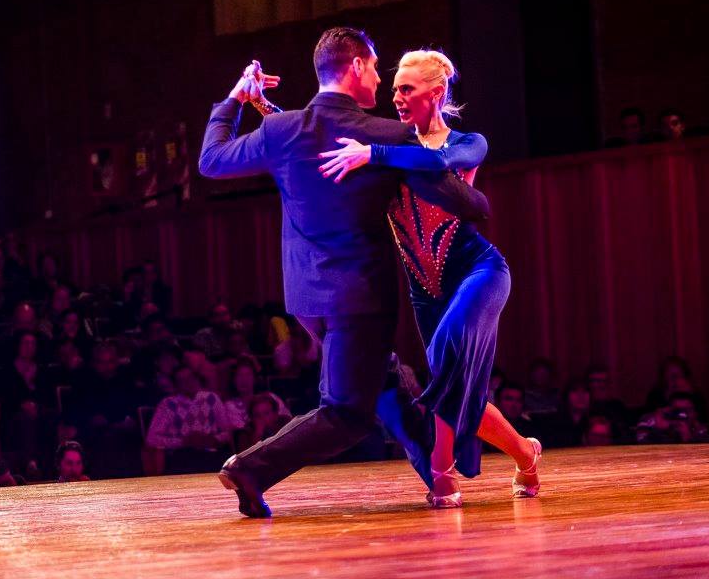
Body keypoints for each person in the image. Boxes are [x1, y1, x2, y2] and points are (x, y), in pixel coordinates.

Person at [199, 27, 489, 518]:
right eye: (375, 68)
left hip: (306, 298)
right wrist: (469, 190)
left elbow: (211, 160)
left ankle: (439, 478)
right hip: (360, 298)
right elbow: (464, 203)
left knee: (385, 378)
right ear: (356, 66)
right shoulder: (387, 136)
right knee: (348, 413)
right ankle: (249, 468)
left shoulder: (281, 129)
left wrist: (235, 99)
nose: (380, 80)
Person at [318, 48, 540, 507]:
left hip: (478, 271)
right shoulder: (389, 145)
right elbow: (315, 135)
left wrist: (373, 153)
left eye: (407, 89)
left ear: (436, 93)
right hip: (425, 289)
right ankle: (525, 454)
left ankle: (441, 472)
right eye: (395, 88)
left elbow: (437, 163)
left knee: (449, 351)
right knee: (458, 389)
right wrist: (260, 105)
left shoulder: (467, 143)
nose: (396, 97)